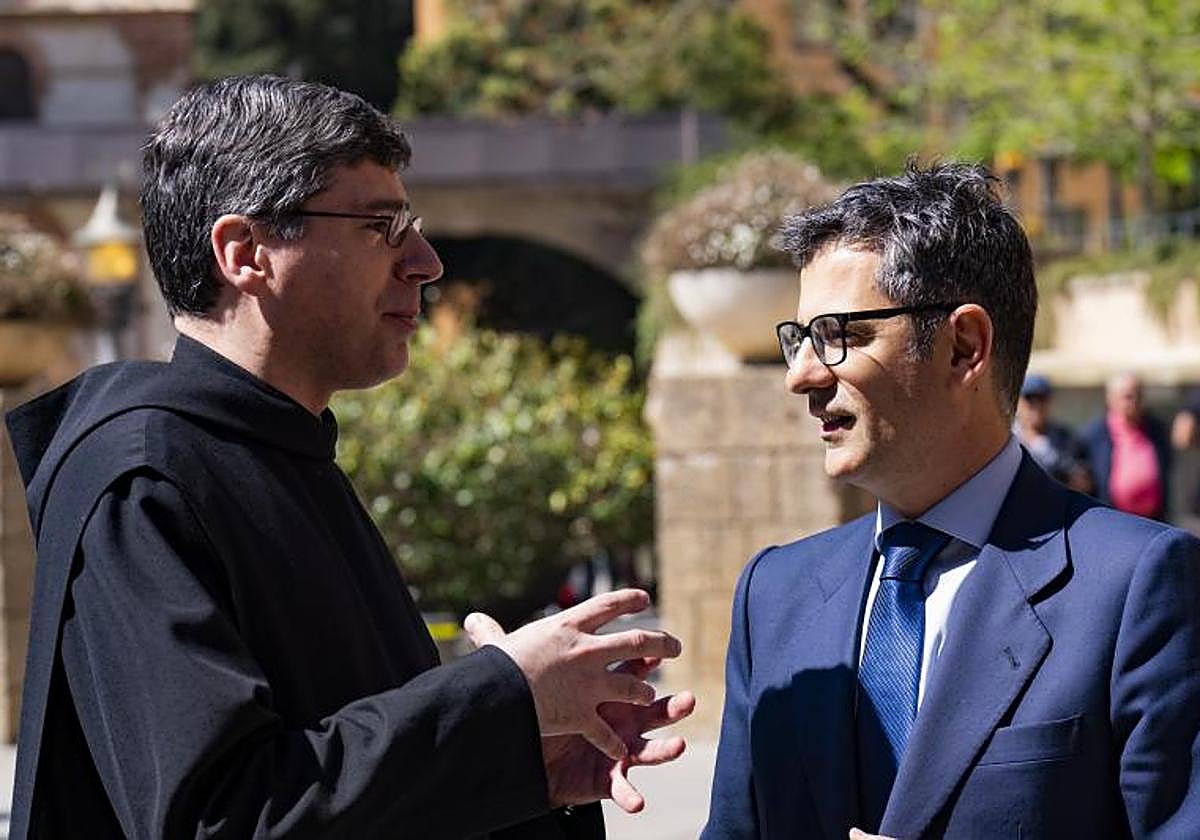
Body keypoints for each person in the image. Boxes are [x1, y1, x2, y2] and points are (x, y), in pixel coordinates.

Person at [4, 75, 694, 839]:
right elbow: (221, 816)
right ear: (246, 254)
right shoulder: (144, 478)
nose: (426, 261)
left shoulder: (281, 451)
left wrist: (521, 762)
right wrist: (497, 699)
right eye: (381, 227)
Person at [702, 163, 1200, 838]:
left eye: (838, 336)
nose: (801, 376)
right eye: (799, 340)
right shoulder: (774, 594)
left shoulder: (1137, 588)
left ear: (965, 348)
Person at [1079, 372, 1172, 521]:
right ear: (1111, 399)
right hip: (1113, 522)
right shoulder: (1094, 435)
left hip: (1153, 521)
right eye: (1128, 397)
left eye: (1139, 396)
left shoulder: (1157, 430)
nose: (1134, 402)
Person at [1012, 373, 1092, 492]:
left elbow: (1083, 484)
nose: (1036, 406)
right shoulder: (1006, 439)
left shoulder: (1066, 440)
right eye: (1030, 400)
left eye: (1041, 400)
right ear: (1018, 402)